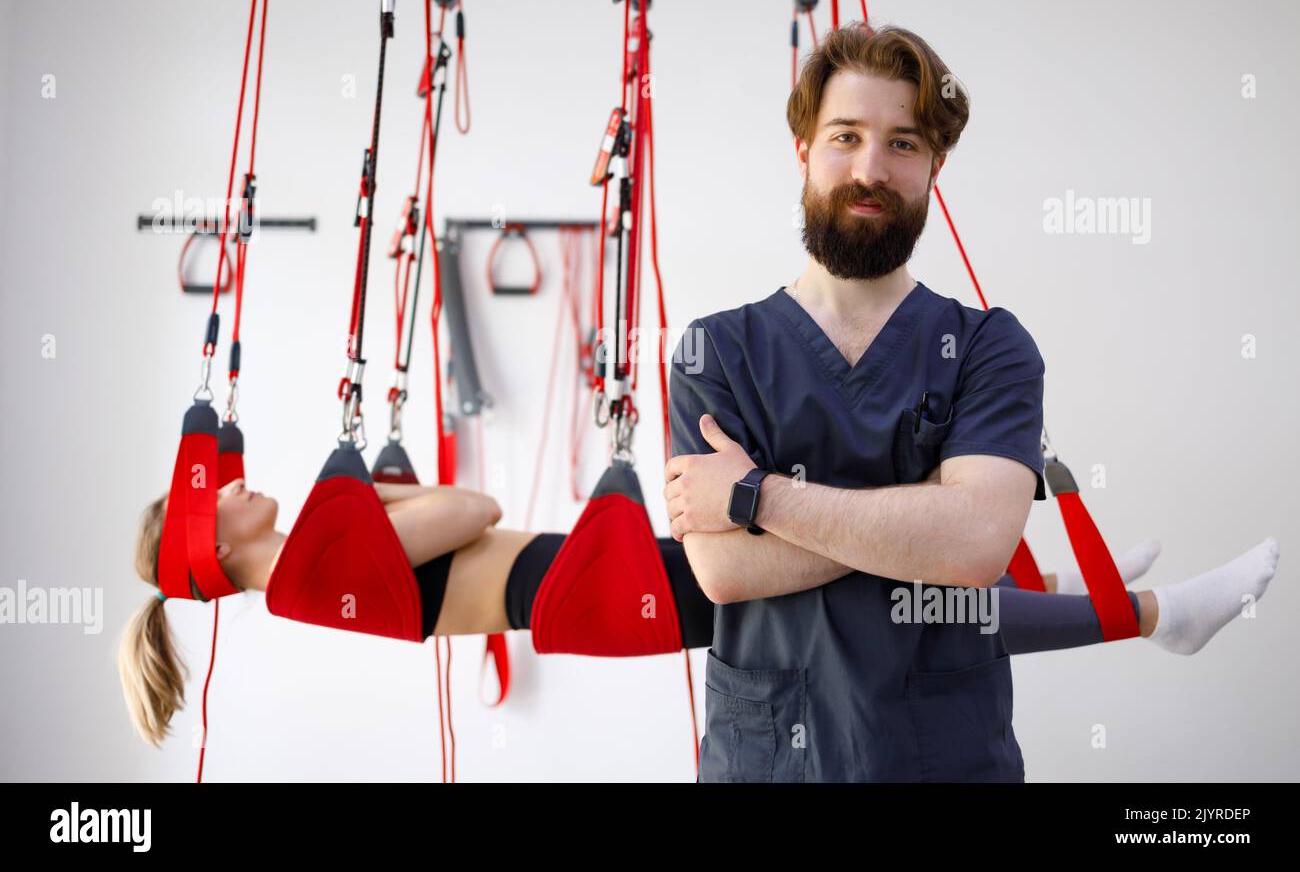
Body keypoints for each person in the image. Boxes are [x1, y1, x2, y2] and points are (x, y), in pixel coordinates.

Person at [662, 22, 1281, 782]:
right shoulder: (716, 351)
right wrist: (925, 513)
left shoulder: (990, 346)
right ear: (803, 151)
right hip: (770, 756)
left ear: (935, 166)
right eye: (845, 136)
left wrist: (754, 495)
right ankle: (1137, 607)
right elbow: (724, 571)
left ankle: (1132, 604)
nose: (871, 168)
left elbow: (976, 547)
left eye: (904, 143)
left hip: (939, 754)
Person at [119, 476, 1278, 751]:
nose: (232, 476)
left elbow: (452, 526)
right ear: (207, 537)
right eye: (211, 489)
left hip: (608, 582)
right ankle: (1146, 613)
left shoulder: (318, 562)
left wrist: (360, 497)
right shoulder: (308, 568)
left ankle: (1099, 604)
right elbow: (472, 502)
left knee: (886, 588)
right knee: (879, 585)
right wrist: (363, 499)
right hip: (614, 589)